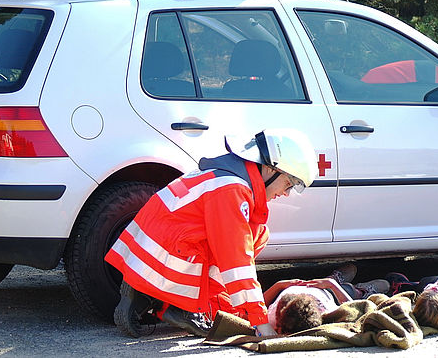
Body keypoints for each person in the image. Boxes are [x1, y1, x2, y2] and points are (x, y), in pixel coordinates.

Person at [104, 129, 319, 338]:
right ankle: (182, 305)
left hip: (151, 254)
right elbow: (235, 260)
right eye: (288, 183)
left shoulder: (225, 177)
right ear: (271, 170)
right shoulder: (232, 190)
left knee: (258, 232)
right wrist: (260, 322)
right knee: (240, 245)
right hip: (165, 257)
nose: (285, 193)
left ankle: (163, 297)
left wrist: (233, 312)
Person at [263, 263, 391, 334]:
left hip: (314, 285)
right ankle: (360, 290)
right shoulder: (324, 309)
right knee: (348, 290)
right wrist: (332, 285)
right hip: (328, 292)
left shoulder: (272, 318)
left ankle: (334, 278)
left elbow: (258, 303)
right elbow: (352, 307)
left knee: (324, 281)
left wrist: (279, 285)